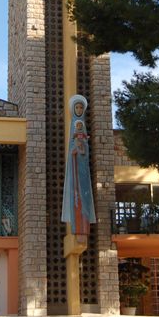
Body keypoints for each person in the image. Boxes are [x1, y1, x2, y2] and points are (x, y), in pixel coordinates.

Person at [61, 94, 96, 235]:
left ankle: (85, 223)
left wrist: (83, 147)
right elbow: (72, 146)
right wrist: (75, 150)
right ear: (73, 109)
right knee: (76, 192)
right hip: (75, 163)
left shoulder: (83, 127)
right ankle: (78, 226)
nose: (80, 109)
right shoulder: (73, 127)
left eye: (81, 107)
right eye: (77, 107)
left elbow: (85, 146)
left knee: (84, 192)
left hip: (83, 167)